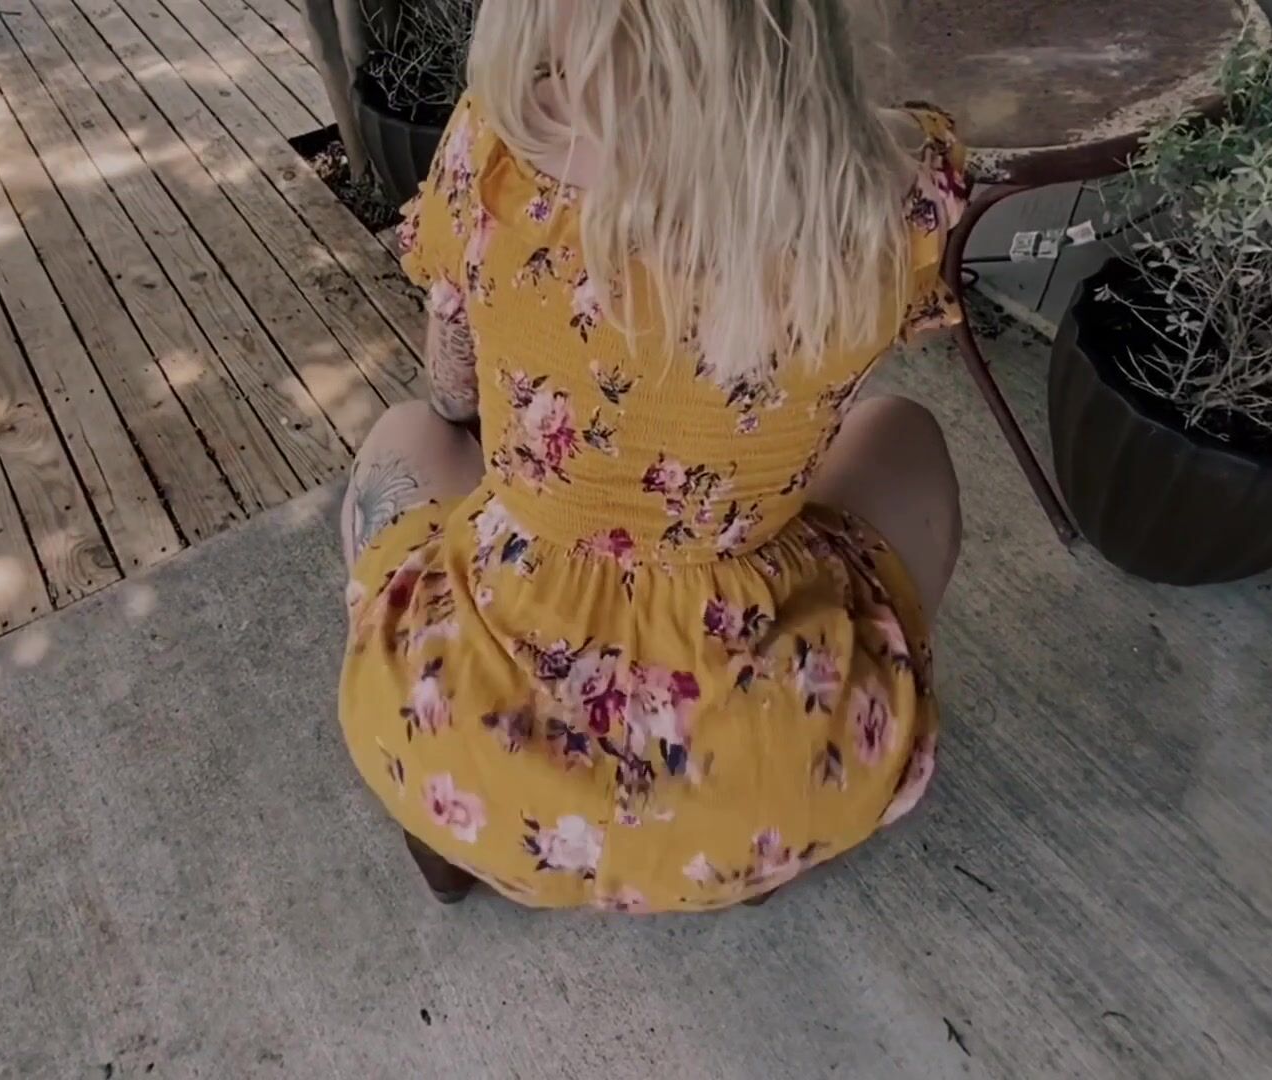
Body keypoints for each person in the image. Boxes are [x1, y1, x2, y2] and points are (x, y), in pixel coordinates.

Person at [337, 0, 967, 912]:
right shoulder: (893, 184)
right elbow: (842, 393)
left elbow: (453, 389)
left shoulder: (497, 149)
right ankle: (752, 830)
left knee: (407, 435)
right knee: (903, 432)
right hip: (766, 775)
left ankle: (449, 839)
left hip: (470, 756)